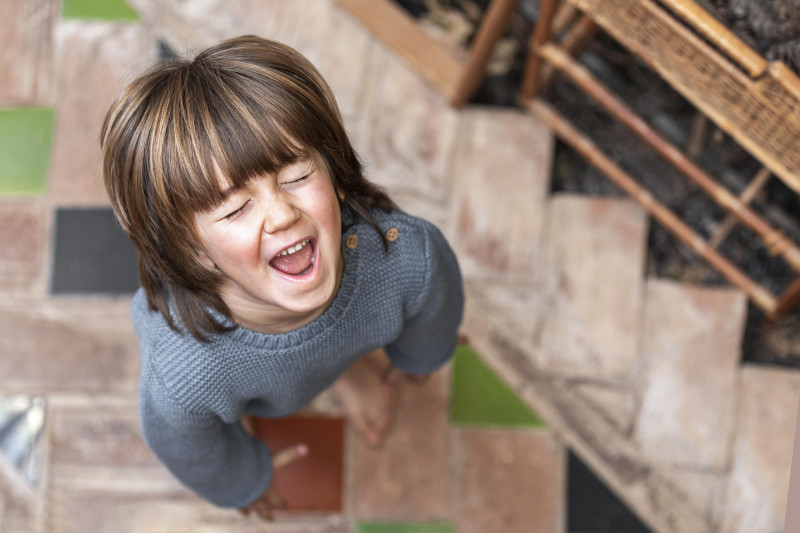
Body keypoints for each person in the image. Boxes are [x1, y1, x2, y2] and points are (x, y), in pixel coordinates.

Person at [100, 35, 464, 520]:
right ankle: (342, 368)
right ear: (190, 249)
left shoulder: (403, 256)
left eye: (295, 176)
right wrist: (242, 482)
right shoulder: (186, 373)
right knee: (258, 387)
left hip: (342, 344)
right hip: (251, 385)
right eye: (234, 208)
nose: (281, 214)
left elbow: (436, 300)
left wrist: (423, 353)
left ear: (333, 171)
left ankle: (348, 370)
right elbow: (187, 444)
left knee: (340, 340)